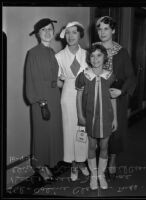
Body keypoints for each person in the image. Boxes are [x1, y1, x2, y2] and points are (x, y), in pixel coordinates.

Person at [95, 16, 136, 179]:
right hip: (96, 96)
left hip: (116, 97)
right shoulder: (92, 50)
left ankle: (112, 160)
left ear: (113, 30)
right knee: (97, 130)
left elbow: (131, 76)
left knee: (115, 132)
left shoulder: (121, 51)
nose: (102, 32)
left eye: (106, 28)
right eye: (99, 28)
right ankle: (98, 161)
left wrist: (122, 91)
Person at [25, 18, 63, 182]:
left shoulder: (52, 52)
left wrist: (62, 82)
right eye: (43, 30)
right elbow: (31, 81)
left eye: (50, 29)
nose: (47, 32)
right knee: (41, 135)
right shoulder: (33, 53)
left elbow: (55, 76)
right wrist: (41, 102)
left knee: (51, 133)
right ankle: (40, 166)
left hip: (54, 98)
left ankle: (47, 164)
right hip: (42, 101)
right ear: (38, 34)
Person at [76, 44, 118, 190]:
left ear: (104, 57)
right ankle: (93, 176)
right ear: (89, 58)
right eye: (92, 56)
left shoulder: (110, 76)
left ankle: (101, 174)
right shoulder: (84, 75)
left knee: (104, 146)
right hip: (91, 118)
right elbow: (79, 95)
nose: (95, 59)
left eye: (99, 55)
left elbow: (113, 98)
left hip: (107, 118)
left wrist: (115, 119)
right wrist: (80, 115)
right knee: (92, 146)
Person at [55, 21, 89, 181]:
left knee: (83, 129)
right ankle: (74, 165)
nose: (70, 36)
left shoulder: (88, 54)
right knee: (70, 131)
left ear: (80, 34)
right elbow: (57, 81)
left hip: (85, 96)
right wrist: (62, 82)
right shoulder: (59, 56)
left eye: (74, 32)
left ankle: (82, 162)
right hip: (68, 97)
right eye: (67, 33)